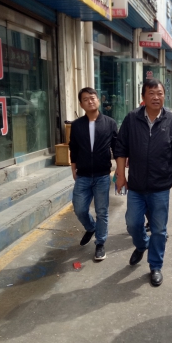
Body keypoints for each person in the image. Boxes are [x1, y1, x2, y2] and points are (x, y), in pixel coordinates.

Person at [114, 79, 172, 287]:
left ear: (164, 96)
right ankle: (141, 245)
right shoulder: (132, 119)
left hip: (160, 187)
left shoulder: (171, 120)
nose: (156, 97)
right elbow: (121, 148)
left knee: (159, 229)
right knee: (133, 224)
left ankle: (155, 266)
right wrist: (120, 176)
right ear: (143, 97)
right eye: (151, 93)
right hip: (136, 186)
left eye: (160, 93)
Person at [70, 87, 118, 261]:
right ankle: (91, 227)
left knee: (102, 211)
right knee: (79, 208)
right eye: (85, 99)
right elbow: (73, 147)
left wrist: (120, 170)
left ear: (98, 100)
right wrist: (73, 167)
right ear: (81, 104)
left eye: (92, 98)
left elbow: (116, 147)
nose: (90, 101)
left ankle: (100, 243)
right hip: (82, 175)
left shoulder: (110, 123)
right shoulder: (77, 125)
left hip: (102, 175)